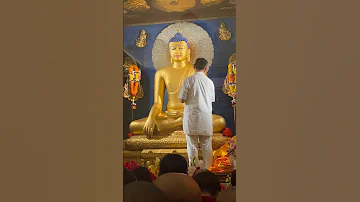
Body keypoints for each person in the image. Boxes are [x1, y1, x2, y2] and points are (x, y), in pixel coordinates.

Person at [178, 58, 216, 169]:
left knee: (192, 145)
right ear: (206, 68)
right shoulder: (210, 82)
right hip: (206, 117)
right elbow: (211, 100)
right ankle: (208, 169)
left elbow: (182, 100)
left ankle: (193, 169)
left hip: (192, 117)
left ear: (194, 67)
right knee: (207, 145)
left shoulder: (188, 80)